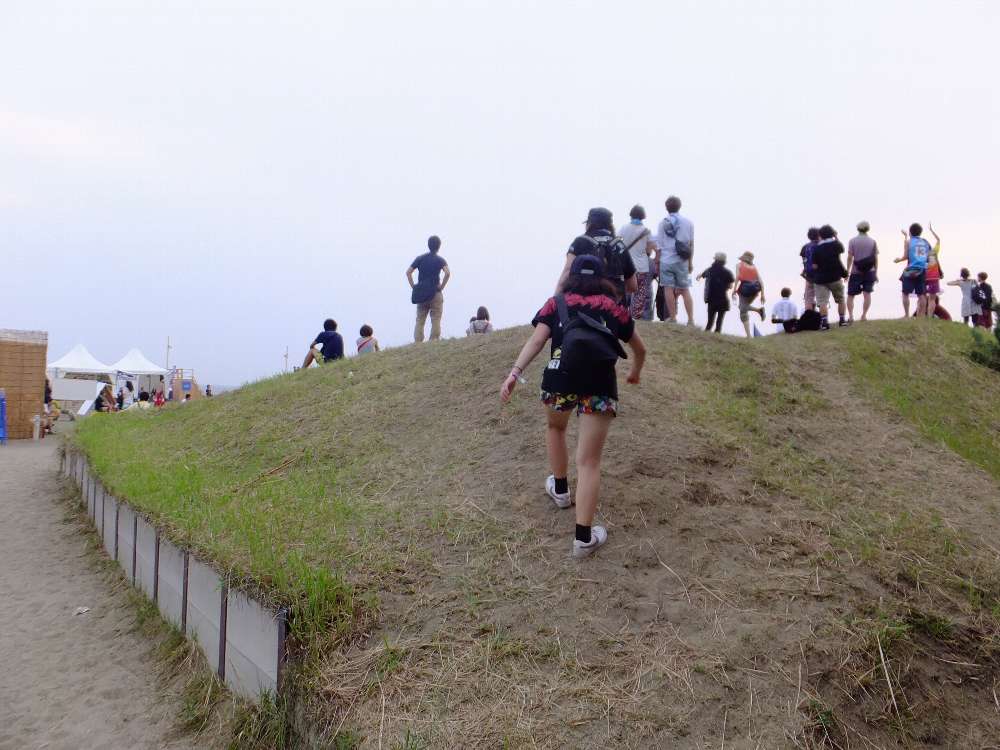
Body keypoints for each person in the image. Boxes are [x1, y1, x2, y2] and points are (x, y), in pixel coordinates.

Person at [501, 254, 646, 558]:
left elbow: (537, 340)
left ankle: (561, 490)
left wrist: (515, 373)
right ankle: (583, 538)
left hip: (559, 378)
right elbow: (639, 348)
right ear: (602, 278)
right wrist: (635, 371)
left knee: (556, 427)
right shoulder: (611, 307)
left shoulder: (557, 303)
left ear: (571, 275)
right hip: (600, 384)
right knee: (589, 462)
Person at [557, 207, 636, 302]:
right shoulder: (619, 245)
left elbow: (567, 271)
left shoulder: (580, 242)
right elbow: (633, 286)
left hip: (583, 307)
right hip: (614, 311)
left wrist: (555, 300)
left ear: (589, 224)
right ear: (610, 225)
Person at [654, 196, 695, 324]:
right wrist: (690, 262)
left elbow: (659, 246)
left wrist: (657, 262)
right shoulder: (688, 222)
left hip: (666, 260)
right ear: (679, 206)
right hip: (682, 260)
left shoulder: (662, 223)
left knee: (668, 288)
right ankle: (690, 319)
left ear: (666, 207)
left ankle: (673, 318)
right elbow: (691, 244)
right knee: (685, 289)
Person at [407, 235, 451, 342]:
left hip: (422, 293)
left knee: (420, 320)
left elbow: (408, 272)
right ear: (439, 247)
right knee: (436, 318)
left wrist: (414, 287)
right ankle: (434, 340)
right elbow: (447, 273)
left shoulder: (420, 258)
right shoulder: (440, 260)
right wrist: (441, 287)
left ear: (428, 245)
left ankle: (418, 342)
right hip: (435, 292)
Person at [620, 204, 657, 320]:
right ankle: (635, 318)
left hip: (625, 266)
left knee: (624, 291)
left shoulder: (623, 228)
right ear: (643, 216)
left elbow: (617, 242)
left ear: (631, 214)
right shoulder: (646, 231)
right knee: (639, 293)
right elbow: (650, 249)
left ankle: (622, 315)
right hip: (641, 266)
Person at [812, 224, 849, 330]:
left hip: (820, 279)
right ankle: (842, 320)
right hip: (835, 277)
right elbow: (842, 249)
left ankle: (824, 323)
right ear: (832, 234)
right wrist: (836, 236)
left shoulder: (817, 248)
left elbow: (814, 266)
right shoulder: (836, 245)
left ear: (821, 235)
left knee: (822, 301)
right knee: (841, 299)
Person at [894, 223, 931, 317]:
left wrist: (898, 260)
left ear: (910, 232)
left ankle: (906, 315)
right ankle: (921, 316)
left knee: (905, 293)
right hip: (922, 269)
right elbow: (929, 256)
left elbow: (905, 256)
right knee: (921, 294)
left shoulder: (908, 242)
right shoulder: (925, 242)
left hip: (911, 269)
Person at [846, 221, 878, 322]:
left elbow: (850, 257)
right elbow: (875, 258)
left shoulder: (852, 241)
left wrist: (847, 271)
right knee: (867, 294)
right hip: (870, 271)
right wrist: (876, 273)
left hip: (856, 271)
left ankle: (851, 316)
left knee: (851, 295)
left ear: (857, 229)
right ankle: (864, 315)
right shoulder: (873, 241)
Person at [696, 252, 734, 333]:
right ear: (724, 262)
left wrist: (699, 277)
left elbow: (699, 276)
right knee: (719, 322)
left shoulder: (709, 270)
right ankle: (717, 335)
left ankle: (706, 335)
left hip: (711, 299)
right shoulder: (728, 272)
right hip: (723, 299)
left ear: (715, 260)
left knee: (710, 321)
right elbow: (731, 286)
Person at [733, 252, 765, 338]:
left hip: (745, 290)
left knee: (743, 311)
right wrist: (762, 294)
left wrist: (734, 289)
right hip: (755, 290)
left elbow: (737, 277)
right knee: (743, 306)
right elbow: (761, 281)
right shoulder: (754, 267)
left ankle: (749, 336)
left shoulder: (739, 265)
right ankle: (759, 311)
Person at [924, 222, 943, 318]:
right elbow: (938, 239)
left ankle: (921, 315)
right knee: (932, 298)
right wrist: (931, 230)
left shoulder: (921, 254)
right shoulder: (934, 252)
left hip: (924, 277)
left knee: (922, 296)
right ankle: (929, 316)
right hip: (934, 277)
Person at [800, 228, 820, 311]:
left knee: (808, 298)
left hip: (809, 275)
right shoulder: (820, 245)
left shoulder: (805, 247)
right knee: (822, 298)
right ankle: (823, 319)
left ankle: (809, 317)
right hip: (820, 274)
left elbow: (804, 261)